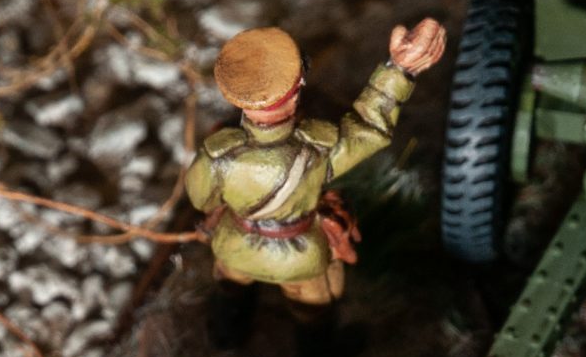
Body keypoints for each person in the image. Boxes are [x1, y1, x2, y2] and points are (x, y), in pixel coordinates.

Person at [183, 19, 444, 340]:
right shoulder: (318, 147)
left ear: (238, 98)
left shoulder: (217, 153)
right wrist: (400, 69)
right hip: (299, 259)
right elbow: (369, 129)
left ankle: (225, 337)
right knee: (314, 313)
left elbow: (202, 200)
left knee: (229, 291)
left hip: (234, 246)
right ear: (295, 92)